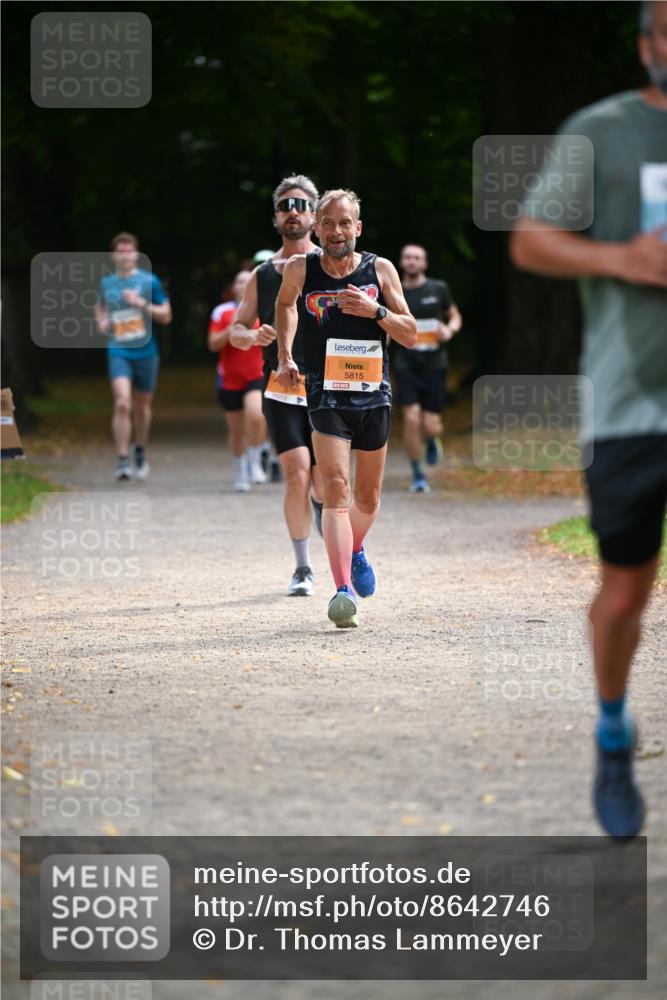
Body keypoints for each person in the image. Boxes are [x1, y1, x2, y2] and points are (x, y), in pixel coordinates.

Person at [510, 0, 667, 838]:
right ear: (648, 46)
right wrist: (624, 258)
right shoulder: (600, 131)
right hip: (631, 402)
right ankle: (612, 732)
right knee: (621, 597)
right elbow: (529, 241)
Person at [275, 189, 417, 628]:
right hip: (326, 392)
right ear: (317, 229)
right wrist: (285, 356)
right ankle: (341, 592)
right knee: (336, 488)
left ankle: (354, 548)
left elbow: (410, 332)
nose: (336, 231)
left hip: (374, 394)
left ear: (358, 227)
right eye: (328, 224)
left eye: (345, 223)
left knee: (368, 497)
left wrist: (375, 311)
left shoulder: (382, 269)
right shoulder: (302, 268)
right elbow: (284, 305)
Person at [230, 175, 324, 597]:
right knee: (296, 472)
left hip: (330, 384)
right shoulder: (263, 274)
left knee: (327, 481)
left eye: (302, 205)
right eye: (286, 205)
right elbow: (235, 328)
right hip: (281, 384)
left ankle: (339, 548)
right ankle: (302, 568)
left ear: (315, 215)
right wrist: (251, 337)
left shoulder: (334, 265)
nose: (293, 211)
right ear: (275, 217)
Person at [95, 232, 172, 481]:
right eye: (120, 251)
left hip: (146, 352)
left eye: (129, 251)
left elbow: (166, 315)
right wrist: (102, 321)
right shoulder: (107, 283)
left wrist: (141, 303)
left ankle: (140, 448)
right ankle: (122, 459)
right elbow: (100, 307)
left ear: (136, 254)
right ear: (114, 256)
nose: (125, 255)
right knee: (122, 402)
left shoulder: (149, 281)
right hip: (119, 349)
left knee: (141, 406)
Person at [396, 244, 462, 493]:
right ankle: (417, 473)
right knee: (411, 418)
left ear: (424, 263)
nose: (412, 261)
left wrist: (450, 329)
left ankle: (432, 439)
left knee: (430, 425)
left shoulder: (438, 288)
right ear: (402, 262)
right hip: (407, 362)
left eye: (417, 258)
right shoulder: (396, 290)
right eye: (408, 257)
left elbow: (455, 316)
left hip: (434, 363)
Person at [208, 270, 267, 492]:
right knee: (236, 431)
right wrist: (232, 326)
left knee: (256, 415)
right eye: (240, 281)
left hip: (256, 374)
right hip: (230, 378)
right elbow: (213, 344)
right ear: (234, 286)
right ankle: (240, 468)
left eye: (248, 281)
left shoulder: (264, 309)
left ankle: (254, 459)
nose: (244, 285)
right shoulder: (222, 312)